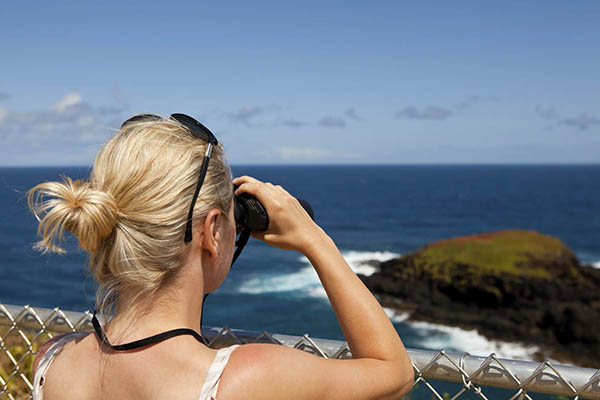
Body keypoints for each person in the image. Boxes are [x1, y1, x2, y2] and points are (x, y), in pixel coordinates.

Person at [28, 113, 414, 399]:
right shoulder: (245, 380)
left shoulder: (53, 360)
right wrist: (315, 241)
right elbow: (393, 374)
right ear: (212, 230)